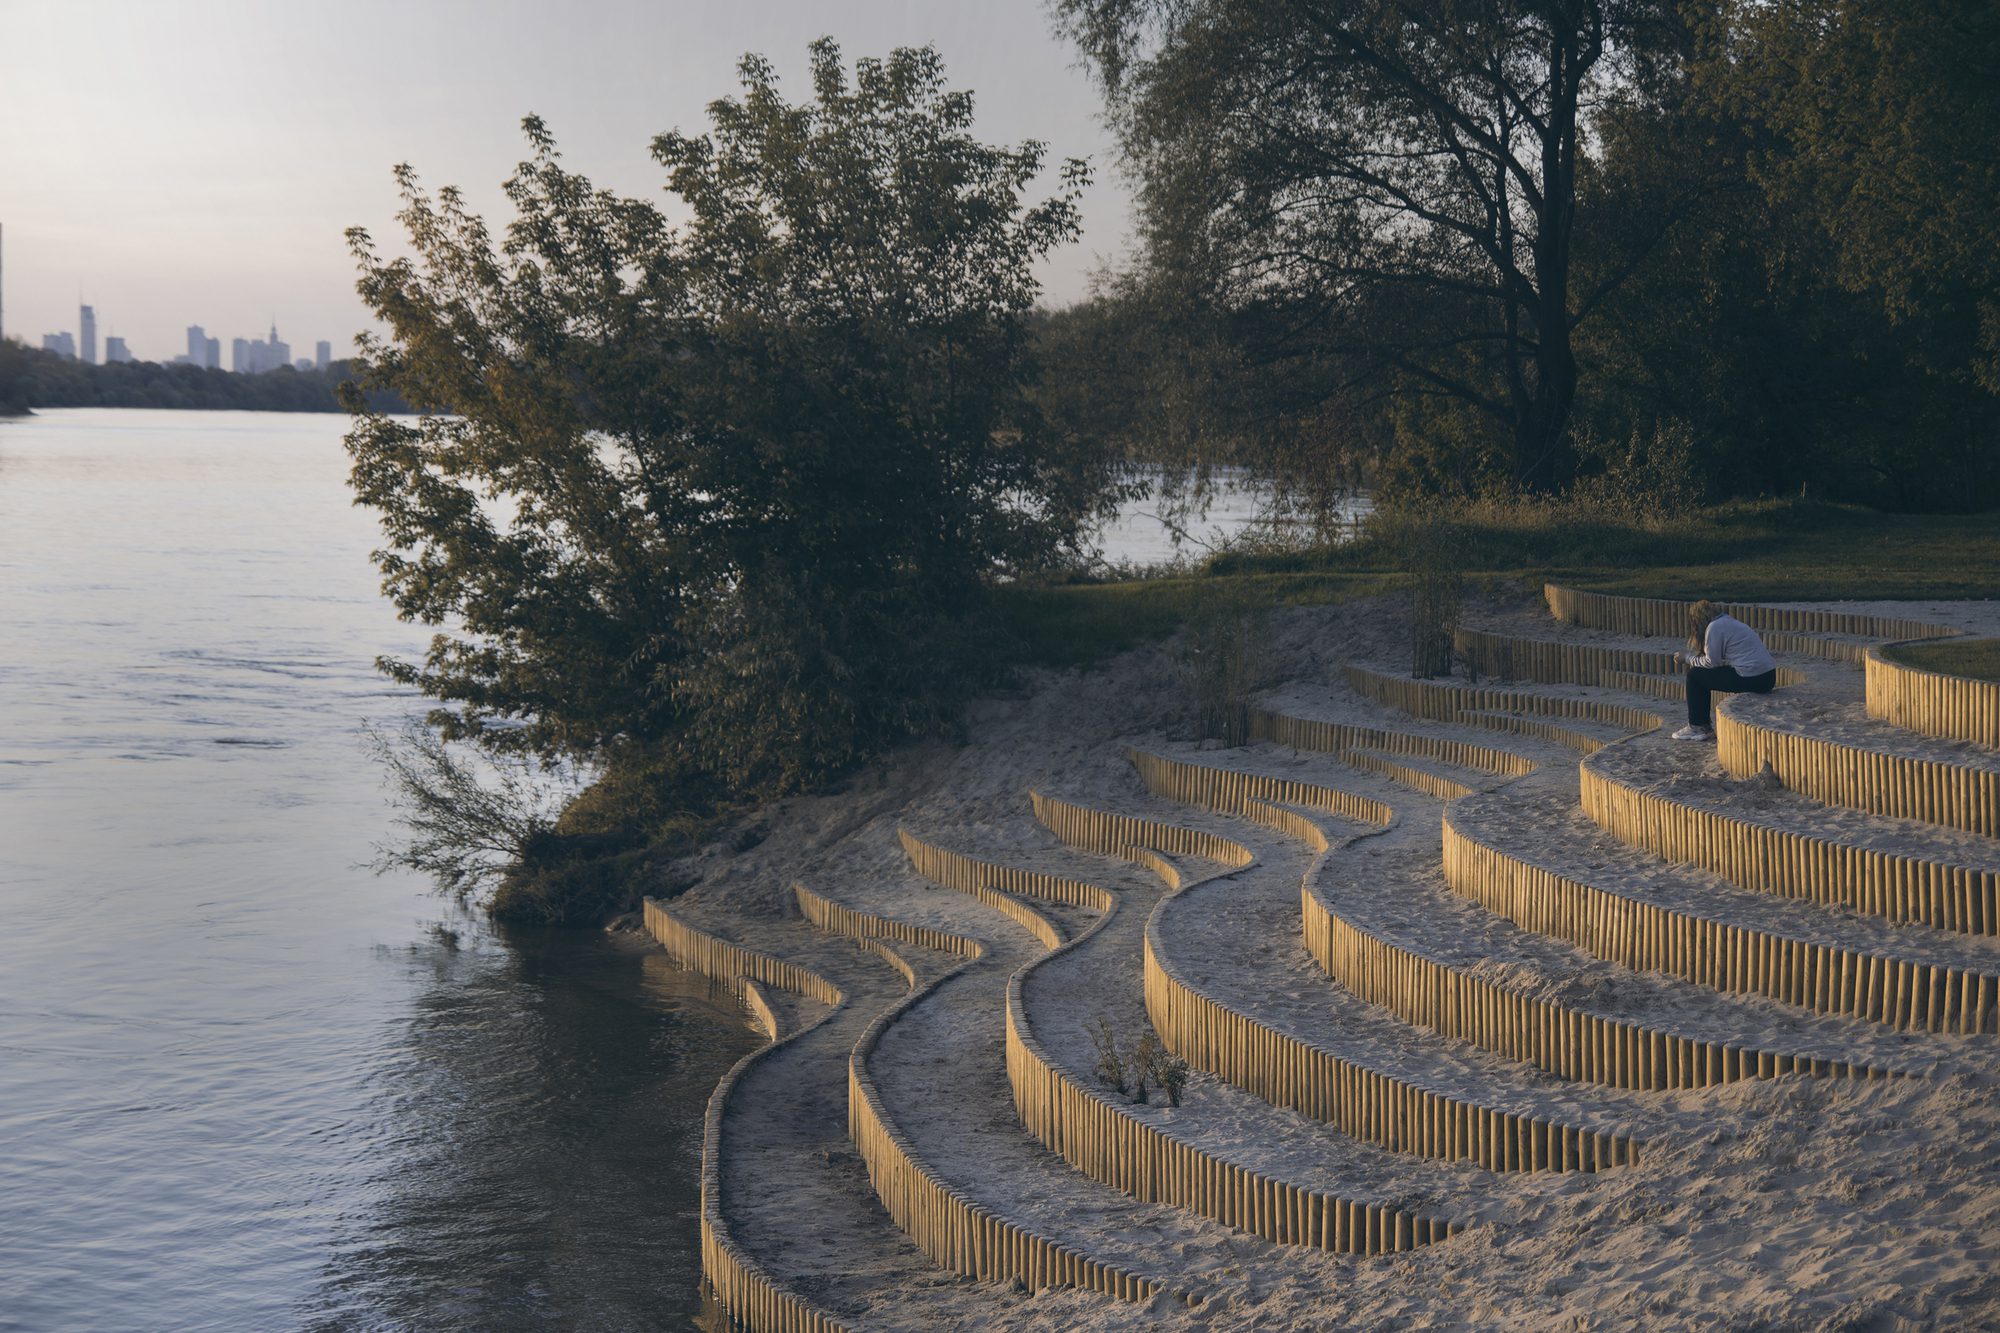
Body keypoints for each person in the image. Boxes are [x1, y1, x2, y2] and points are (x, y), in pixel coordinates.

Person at [1671, 600, 1778, 740]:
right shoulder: (1728, 622)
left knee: (1695, 676)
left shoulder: (1714, 627)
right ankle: (1700, 726)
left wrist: (1687, 658)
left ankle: (1698, 726)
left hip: (1752, 679)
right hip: (1768, 677)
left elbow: (1711, 663)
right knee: (1706, 673)